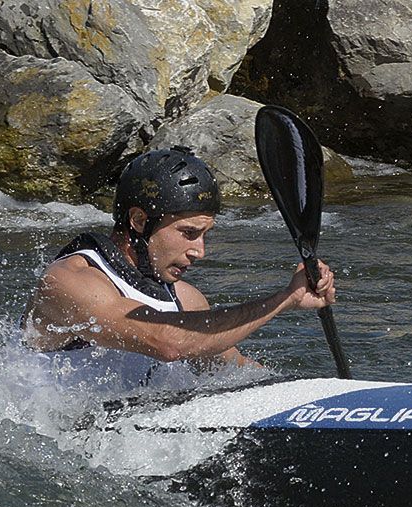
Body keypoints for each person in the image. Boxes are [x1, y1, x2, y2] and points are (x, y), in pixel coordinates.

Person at [22, 146, 336, 382]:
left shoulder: (184, 298)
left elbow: (232, 369)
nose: (199, 251)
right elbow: (168, 342)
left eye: (204, 235)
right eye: (188, 233)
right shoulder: (71, 281)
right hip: (36, 441)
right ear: (140, 220)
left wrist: (316, 395)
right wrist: (284, 299)